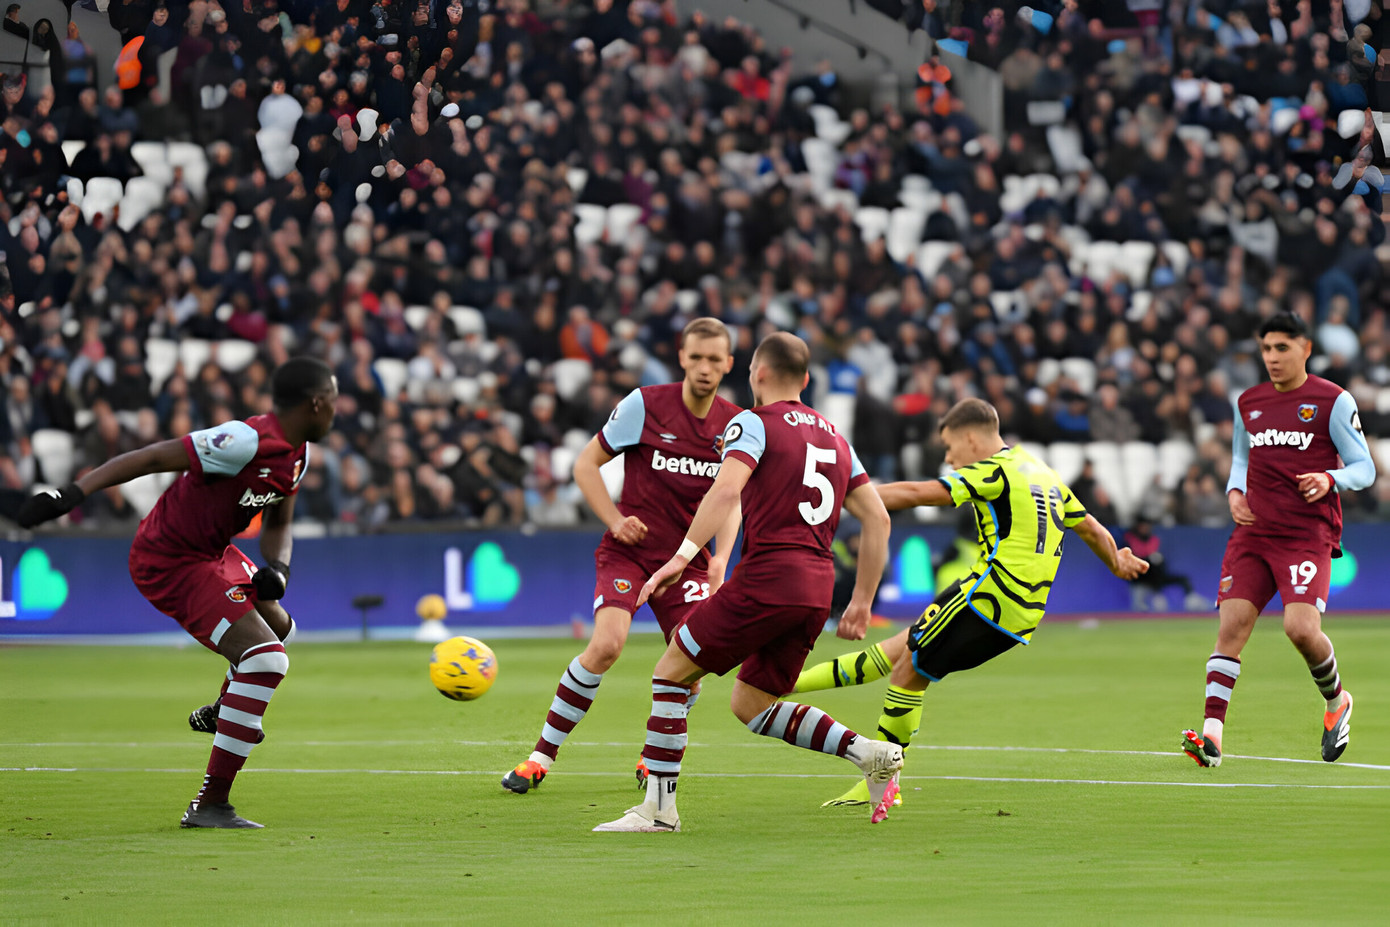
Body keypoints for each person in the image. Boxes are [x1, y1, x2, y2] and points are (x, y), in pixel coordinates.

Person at [592, 332, 902, 833]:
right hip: (817, 589)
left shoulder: (752, 423)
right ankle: (869, 753)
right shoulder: (836, 439)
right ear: (805, 380)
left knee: (671, 671)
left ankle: (658, 811)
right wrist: (861, 601)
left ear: (756, 373)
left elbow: (726, 488)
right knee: (752, 703)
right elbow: (879, 520)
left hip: (767, 577)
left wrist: (683, 556)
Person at [16, 357, 339, 829]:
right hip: (167, 558)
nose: (336, 411)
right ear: (315, 403)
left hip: (212, 552)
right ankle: (210, 804)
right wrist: (72, 494)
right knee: (267, 659)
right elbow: (152, 457)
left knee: (282, 628)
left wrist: (280, 571)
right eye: (332, 401)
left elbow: (279, 522)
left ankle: (223, 710)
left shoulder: (298, 453)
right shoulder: (245, 440)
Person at [793, 398, 1149, 806]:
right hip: (1020, 615)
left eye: (949, 448)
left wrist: (838, 496)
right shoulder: (1042, 472)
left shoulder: (994, 471)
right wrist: (1116, 560)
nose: (948, 458)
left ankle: (882, 782)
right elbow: (1089, 528)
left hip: (987, 598)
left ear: (969, 437)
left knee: (907, 671)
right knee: (898, 651)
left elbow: (916, 492)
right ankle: (788, 684)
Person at [501, 318, 742, 794]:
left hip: (686, 563)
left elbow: (729, 497)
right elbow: (584, 464)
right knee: (608, 645)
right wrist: (614, 520)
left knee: (691, 667)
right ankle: (540, 757)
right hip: (629, 554)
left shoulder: (736, 424)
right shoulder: (645, 404)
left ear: (729, 364)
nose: (705, 367)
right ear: (682, 357)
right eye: (696, 357)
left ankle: (653, 758)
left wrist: (720, 559)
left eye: (715, 359)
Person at [1181, 313, 1375, 768]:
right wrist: (1233, 491)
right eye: (1266, 349)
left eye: (1281, 348)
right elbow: (1240, 459)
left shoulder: (1333, 401)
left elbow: (1364, 468)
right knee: (1230, 630)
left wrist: (1330, 479)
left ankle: (1336, 701)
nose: (1271, 357)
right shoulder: (1248, 402)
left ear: (1305, 348)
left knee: (1300, 630)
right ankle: (1212, 740)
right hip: (1253, 533)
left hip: (1305, 534)